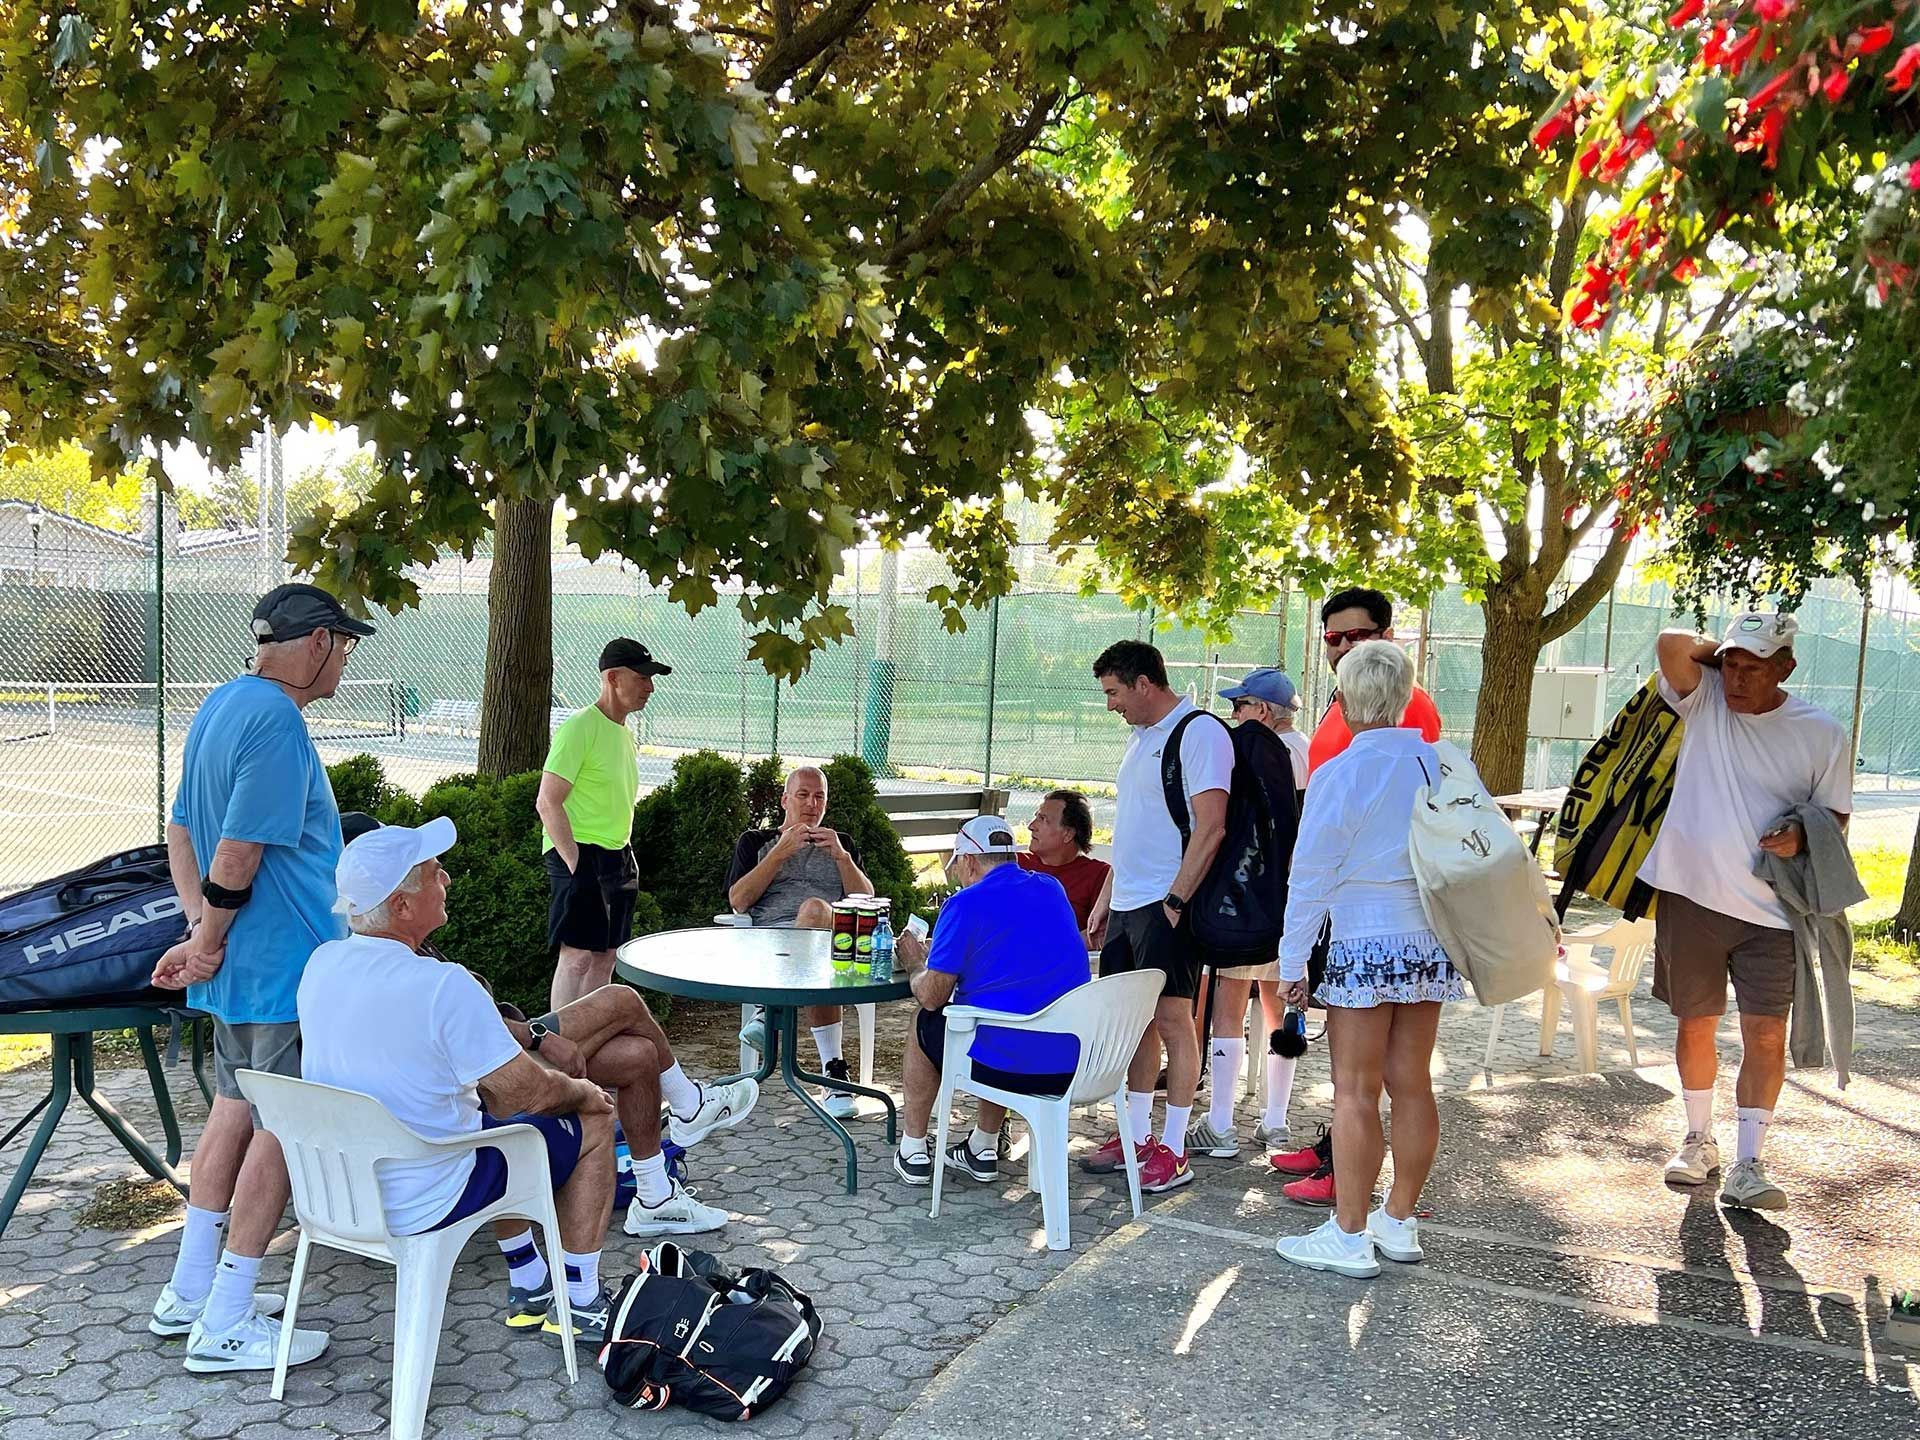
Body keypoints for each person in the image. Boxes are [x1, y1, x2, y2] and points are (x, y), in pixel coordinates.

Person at [300, 820, 756, 1348]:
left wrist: (539, 1051)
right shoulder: (441, 984)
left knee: (626, 1060)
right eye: (433, 873)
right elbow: (527, 1095)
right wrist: (584, 1093)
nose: (446, 878)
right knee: (586, 1117)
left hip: (343, 1191)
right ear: (401, 906)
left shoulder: (321, 964)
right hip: (427, 1193)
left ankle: (532, 1282)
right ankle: (581, 1302)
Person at [144, 583, 375, 1373]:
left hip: (244, 962)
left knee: (233, 1112)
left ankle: (189, 1291)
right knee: (285, 1127)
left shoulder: (220, 705)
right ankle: (229, 1318)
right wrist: (207, 936)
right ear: (317, 644)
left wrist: (200, 931)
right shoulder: (277, 721)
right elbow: (237, 850)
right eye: (344, 646)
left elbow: (180, 829)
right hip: (283, 967)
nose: (345, 661)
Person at [1637, 613, 1851, 1211]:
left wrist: (1800, 838)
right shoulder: (1703, 697)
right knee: (1694, 1023)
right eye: (1730, 664)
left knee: (1764, 1032)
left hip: (1774, 909)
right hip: (1691, 894)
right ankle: (1697, 1141)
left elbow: (1833, 818)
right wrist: (1725, 649)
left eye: (1753, 667)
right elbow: (1672, 644)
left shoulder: (1821, 731)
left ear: (1787, 666)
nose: (1736, 678)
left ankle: (1750, 1162)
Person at [1274, 640, 1466, 1280]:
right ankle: (1400, 1220)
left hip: (1360, 939)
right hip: (1428, 941)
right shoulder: (1443, 764)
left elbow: (1310, 875)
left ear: (1346, 701)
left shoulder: (1340, 773)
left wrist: (1292, 961)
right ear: (1409, 692)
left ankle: (1349, 1234)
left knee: (1354, 1092)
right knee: (1413, 1082)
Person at [1082, 640, 1231, 1195]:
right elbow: (1134, 833)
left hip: (1167, 906)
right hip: (1127, 906)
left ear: (1145, 683)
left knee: (1173, 1022)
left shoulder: (1201, 733)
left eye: (1115, 692)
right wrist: (1105, 900)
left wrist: (1174, 901)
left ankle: (1173, 1148)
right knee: (1134, 1024)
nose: (1111, 705)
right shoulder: (1141, 739)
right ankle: (1136, 1134)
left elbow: (1211, 826)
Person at [891, 817, 1089, 1186]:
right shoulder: (1052, 888)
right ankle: (982, 1146)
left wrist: (914, 961)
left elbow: (933, 995)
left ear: (968, 861)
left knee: (925, 1022)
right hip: (1074, 1056)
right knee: (1002, 1010)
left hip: (1013, 1062)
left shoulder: (966, 903)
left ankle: (913, 1149)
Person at [1185, 668, 1306, 1159]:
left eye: (1240, 706)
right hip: (1291, 901)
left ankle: (1219, 1123)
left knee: (1228, 1008)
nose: (1233, 716)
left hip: (1243, 897)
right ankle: (1275, 1121)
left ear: (1261, 710)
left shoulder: (1246, 752)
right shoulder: (1306, 751)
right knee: (1282, 1007)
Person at [724, 765, 874, 1118]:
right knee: (817, 934)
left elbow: (866, 900)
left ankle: (771, 1013)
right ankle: (833, 1070)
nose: (811, 804)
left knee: (816, 912)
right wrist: (779, 852)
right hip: (767, 945)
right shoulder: (756, 842)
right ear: (785, 800)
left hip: (828, 944)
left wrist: (842, 857)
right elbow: (738, 900)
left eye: (819, 796)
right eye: (803, 795)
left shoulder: (841, 844)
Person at [538, 638, 668, 1012]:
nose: (650, 687)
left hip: (619, 856)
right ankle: (559, 1053)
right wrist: (575, 862)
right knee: (577, 957)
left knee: (605, 959)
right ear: (612, 678)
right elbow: (548, 801)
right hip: (581, 853)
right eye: (642, 677)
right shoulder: (580, 726)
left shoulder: (625, 734)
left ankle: (591, 1051)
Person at [1306, 588, 1443, 775]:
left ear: (1387, 637)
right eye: (1334, 638)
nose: (1344, 647)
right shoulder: (1344, 695)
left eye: (1357, 636)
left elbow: (1417, 786)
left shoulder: (1406, 700)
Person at [1018, 789, 1111, 935]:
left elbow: (1098, 934)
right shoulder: (1014, 864)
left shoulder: (1099, 875)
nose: (1031, 826)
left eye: (1043, 819)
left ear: (1068, 834)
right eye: (1036, 817)